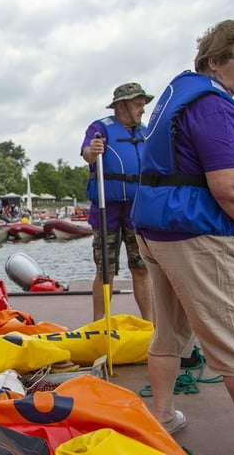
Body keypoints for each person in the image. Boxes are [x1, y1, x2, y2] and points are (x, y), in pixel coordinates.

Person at [131, 19, 234, 455]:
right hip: (194, 235)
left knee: (167, 331)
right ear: (216, 59)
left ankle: (163, 415)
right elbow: (230, 187)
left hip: (154, 231)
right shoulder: (214, 107)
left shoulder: (179, 94)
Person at [80, 82, 153, 322]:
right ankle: (99, 323)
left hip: (138, 211)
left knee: (141, 268)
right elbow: (87, 154)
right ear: (121, 106)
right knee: (106, 270)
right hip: (106, 210)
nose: (142, 109)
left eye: (143, 105)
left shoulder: (145, 132)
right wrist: (93, 151)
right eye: (137, 105)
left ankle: (150, 325)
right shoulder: (100, 129)